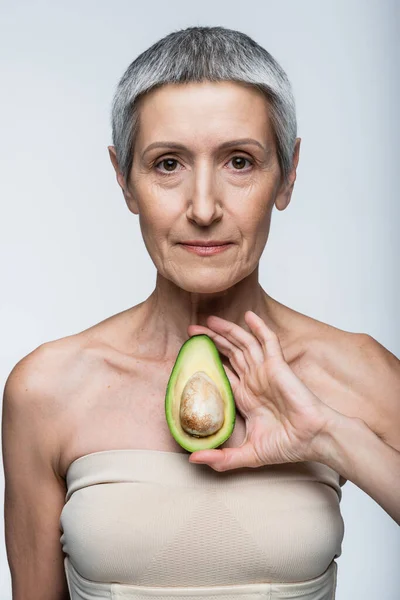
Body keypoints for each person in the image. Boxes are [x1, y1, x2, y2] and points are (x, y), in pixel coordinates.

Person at [2, 25, 399, 600]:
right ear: (124, 181)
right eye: (168, 164)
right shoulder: (46, 390)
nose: (204, 207)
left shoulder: (357, 370)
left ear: (287, 175)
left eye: (240, 161)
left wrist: (329, 437)